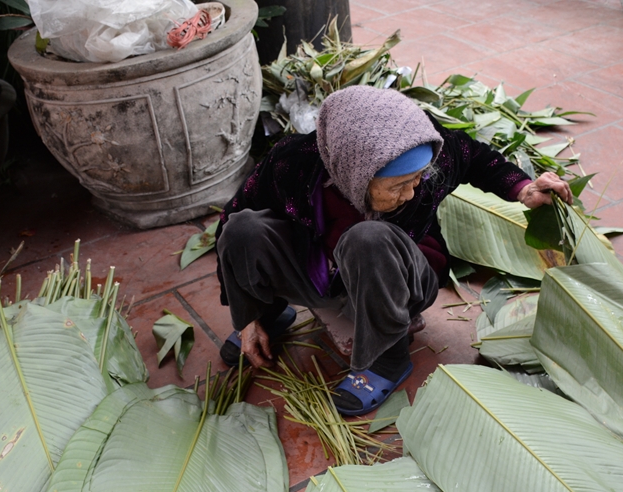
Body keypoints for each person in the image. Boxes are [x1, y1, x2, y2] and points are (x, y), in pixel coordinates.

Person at [215, 86, 570, 415]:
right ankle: (267, 313)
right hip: (321, 266)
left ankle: (388, 357)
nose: (412, 193)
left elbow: (477, 156)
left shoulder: (434, 153)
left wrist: (523, 188)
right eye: (399, 186)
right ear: (356, 173)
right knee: (243, 229)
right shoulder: (291, 163)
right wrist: (247, 316)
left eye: (417, 180)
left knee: (367, 237)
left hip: (401, 272)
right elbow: (234, 222)